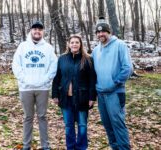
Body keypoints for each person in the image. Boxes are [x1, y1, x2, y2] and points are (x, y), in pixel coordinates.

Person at [12, 21, 57, 150]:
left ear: (43, 32)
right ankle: (26, 145)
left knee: (42, 116)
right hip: (26, 88)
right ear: (31, 31)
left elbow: (54, 65)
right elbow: (16, 65)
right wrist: (24, 79)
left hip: (42, 88)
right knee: (28, 117)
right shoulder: (23, 46)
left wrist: (46, 79)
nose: (37, 31)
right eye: (35, 29)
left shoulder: (48, 47)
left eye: (40, 29)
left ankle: (45, 146)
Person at [92, 17, 133, 150]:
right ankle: (114, 147)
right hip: (101, 94)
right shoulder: (95, 50)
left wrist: (116, 82)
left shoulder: (119, 45)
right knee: (107, 124)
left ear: (109, 32)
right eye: (98, 32)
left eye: (103, 31)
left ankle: (123, 148)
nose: (100, 34)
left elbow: (128, 68)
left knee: (118, 123)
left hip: (115, 92)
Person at [52, 34, 96, 150]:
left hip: (83, 98)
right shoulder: (62, 59)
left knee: (82, 125)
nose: (74, 44)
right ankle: (70, 147)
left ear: (80, 44)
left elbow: (92, 80)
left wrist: (92, 97)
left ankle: (82, 147)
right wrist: (55, 95)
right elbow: (57, 78)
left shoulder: (88, 59)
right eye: (72, 42)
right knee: (68, 125)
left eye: (77, 42)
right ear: (69, 44)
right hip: (66, 98)